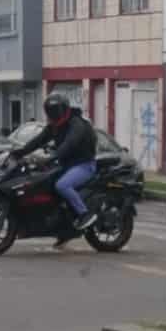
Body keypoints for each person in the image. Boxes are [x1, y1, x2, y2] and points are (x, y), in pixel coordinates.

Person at [11, 93, 98, 232]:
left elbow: (70, 143)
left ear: (64, 109)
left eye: (55, 111)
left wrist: (54, 156)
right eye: (50, 112)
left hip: (83, 165)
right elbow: (38, 140)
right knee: (42, 182)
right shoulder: (54, 126)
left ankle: (84, 214)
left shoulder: (77, 124)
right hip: (65, 164)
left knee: (62, 185)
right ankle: (59, 225)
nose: (53, 115)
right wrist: (20, 152)